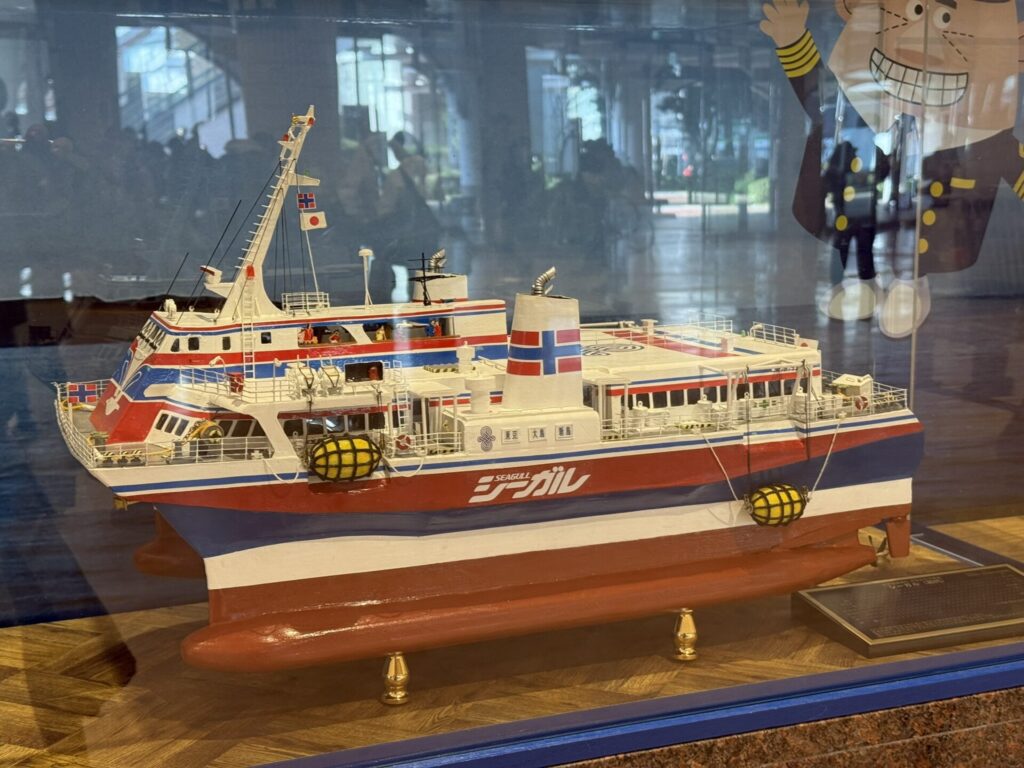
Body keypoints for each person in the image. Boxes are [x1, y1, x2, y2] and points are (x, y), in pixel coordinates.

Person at [761, 0, 1024, 337]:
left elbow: (1014, 164)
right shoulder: (854, 112)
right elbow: (819, 94)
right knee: (858, 236)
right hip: (865, 205)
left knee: (907, 241)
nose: (920, 45)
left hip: (920, 222)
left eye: (946, 20)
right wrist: (793, 40)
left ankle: (908, 286)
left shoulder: (977, 137)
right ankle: (861, 282)